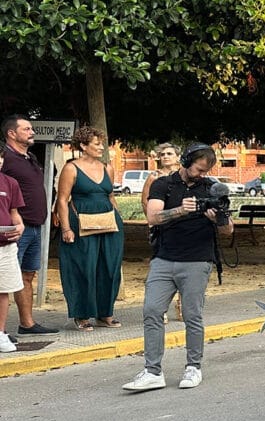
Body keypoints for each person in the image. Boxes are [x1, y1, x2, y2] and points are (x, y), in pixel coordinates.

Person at [122, 144, 233, 391]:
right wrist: (181, 210)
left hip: (197, 260)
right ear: (185, 161)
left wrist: (219, 218)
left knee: (192, 315)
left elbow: (228, 230)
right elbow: (152, 217)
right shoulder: (164, 185)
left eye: (206, 170)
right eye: (198, 169)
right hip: (164, 258)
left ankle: (193, 367)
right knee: (152, 310)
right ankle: (152, 371)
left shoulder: (211, 188)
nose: (202, 174)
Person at [55, 126, 125, 331]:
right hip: (81, 223)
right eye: (96, 143)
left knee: (110, 268)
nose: (101, 147)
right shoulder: (71, 168)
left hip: (109, 223)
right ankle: (82, 314)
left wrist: (119, 219)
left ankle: (105, 313)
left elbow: (110, 196)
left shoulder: (107, 168)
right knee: (83, 268)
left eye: (101, 143)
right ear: (83, 146)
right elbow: (62, 199)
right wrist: (66, 228)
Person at [0, 115, 56, 335]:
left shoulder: (29, 157)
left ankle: (27, 323)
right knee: (5, 279)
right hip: (14, 229)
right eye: (26, 129)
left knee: (27, 275)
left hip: (35, 226)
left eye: (31, 128)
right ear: (12, 133)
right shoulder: (6, 159)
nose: (32, 132)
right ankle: (2, 330)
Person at [143, 143, 184, 322]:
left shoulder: (185, 175)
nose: (165, 156)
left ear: (178, 157)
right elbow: (145, 201)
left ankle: (183, 305)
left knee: (185, 267)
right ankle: (161, 308)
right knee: (162, 268)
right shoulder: (154, 177)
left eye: (169, 153)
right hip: (162, 228)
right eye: (163, 154)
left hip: (183, 228)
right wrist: (153, 222)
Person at [0, 146, 25, 352]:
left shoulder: (10, 183)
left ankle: (0, 334)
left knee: (3, 290)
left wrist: (19, 226)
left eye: (0, 157)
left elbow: (14, 212)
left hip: (6, 246)